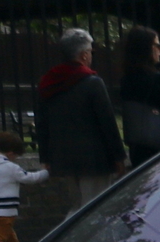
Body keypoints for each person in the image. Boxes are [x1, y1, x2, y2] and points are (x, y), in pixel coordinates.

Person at [34, 27, 127, 206]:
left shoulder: (48, 82)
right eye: (91, 51)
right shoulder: (92, 83)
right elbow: (107, 122)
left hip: (64, 158)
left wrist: (45, 157)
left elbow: (42, 122)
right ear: (84, 55)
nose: (92, 55)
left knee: (77, 209)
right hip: (95, 160)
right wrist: (118, 157)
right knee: (95, 209)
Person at [117, 25, 160, 164]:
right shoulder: (157, 80)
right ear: (146, 48)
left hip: (138, 148)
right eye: (157, 45)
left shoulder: (126, 80)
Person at [0, 130, 48, 242]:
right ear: (10, 153)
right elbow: (30, 178)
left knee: (10, 239)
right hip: (6, 211)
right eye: (16, 156)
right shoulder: (10, 167)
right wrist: (46, 172)